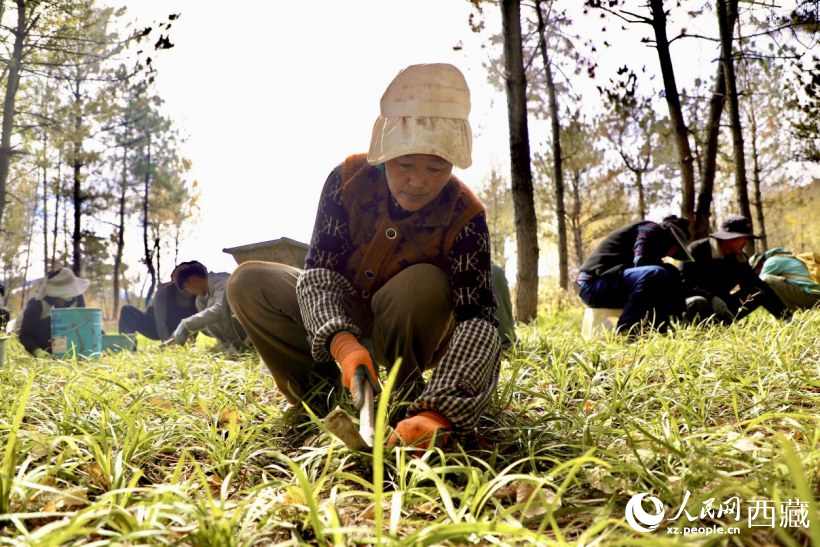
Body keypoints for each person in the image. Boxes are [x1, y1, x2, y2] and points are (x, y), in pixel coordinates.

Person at [227, 63, 501, 451]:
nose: (418, 181)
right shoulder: (347, 180)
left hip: (405, 322)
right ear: (385, 155)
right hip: (338, 314)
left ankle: (406, 396)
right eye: (405, 164)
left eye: (435, 167)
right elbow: (320, 272)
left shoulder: (465, 215)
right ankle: (319, 393)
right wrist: (343, 344)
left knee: (422, 282)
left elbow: (479, 321)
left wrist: (442, 412)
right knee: (249, 281)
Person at [575, 215, 694, 335]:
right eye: (676, 247)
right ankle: (626, 330)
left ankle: (662, 328)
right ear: (671, 239)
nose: (672, 253)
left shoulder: (655, 245)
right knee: (655, 274)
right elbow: (640, 261)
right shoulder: (650, 229)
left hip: (610, 284)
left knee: (670, 272)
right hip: (592, 284)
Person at [680, 216, 790, 324]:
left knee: (757, 292)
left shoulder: (739, 258)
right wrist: (711, 298)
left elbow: (758, 284)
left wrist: (786, 316)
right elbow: (684, 283)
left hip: (724, 307)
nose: (746, 242)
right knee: (699, 302)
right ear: (729, 238)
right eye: (743, 238)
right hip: (696, 304)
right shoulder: (697, 249)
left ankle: (723, 323)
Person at [164, 261, 249, 351]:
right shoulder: (202, 299)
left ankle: (239, 344)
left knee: (211, 305)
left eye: (186, 288)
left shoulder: (220, 281)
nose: (190, 292)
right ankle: (227, 344)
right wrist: (183, 332)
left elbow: (221, 309)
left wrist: (186, 324)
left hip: (249, 326)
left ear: (193, 280)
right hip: (237, 327)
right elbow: (207, 321)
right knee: (201, 303)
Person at [19, 267, 90, 357]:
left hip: (75, 352)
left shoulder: (77, 299)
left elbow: (86, 324)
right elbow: (25, 335)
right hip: (46, 353)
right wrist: (37, 351)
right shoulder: (37, 305)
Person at [118, 264, 197, 341]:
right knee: (127, 310)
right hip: (154, 327)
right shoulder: (164, 292)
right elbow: (160, 322)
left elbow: (200, 321)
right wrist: (167, 344)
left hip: (182, 329)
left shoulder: (199, 295)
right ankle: (128, 345)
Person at [751, 248, 820, 311]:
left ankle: (790, 314)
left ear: (760, 263)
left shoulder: (770, 262)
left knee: (767, 279)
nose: (758, 272)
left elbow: (759, 284)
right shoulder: (783, 257)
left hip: (812, 298)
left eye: (757, 269)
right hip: (815, 296)